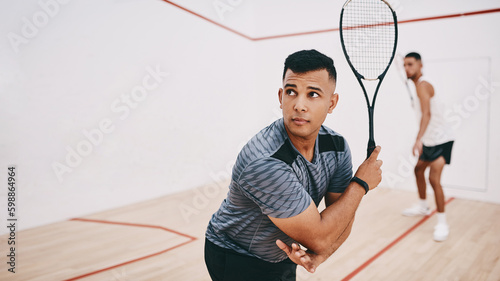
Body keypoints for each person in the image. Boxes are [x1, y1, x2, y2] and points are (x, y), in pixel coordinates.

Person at [204, 49, 383, 281]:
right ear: (281, 97)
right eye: (291, 92)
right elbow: (320, 237)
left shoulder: (337, 147)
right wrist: (360, 184)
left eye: (313, 94)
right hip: (236, 256)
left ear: (332, 103)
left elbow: (341, 216)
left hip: (281, 254)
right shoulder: (265, 162)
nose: (299, 105)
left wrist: (321, 255)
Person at [402, 52, 454, 242]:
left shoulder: (423, 86)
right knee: (418, 170)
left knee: (434, 179)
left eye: (410, 64)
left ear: (420, 65)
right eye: (405, 65)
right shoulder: (418, 86)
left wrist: (418, 139)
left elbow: (427, 115)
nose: (407, 68)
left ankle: (442, 223)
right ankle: (423, 206)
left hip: (442, 140)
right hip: (430, 140)